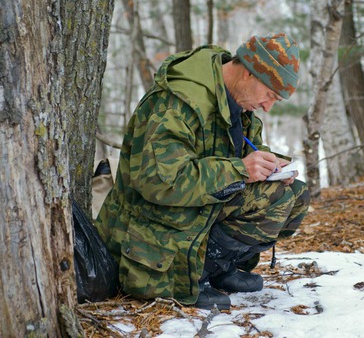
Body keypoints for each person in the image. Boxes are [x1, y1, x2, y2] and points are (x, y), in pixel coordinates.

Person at [95, 32, 310, 310]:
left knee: (293, 195)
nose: (267, 107)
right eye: (269, 95)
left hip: (194, 207)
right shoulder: (179, 102)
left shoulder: (236, 100)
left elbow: (241, 153)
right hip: (152, 223)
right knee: (271, 197)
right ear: (248, 72)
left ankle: (217, 268)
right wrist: (240, 170)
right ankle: (189, 276)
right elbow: (158, 181)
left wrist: (269, 164)